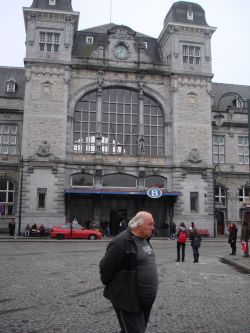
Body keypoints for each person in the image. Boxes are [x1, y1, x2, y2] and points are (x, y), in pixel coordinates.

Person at [99, 211, 158, 333]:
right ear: (138, 225)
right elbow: (105, 269)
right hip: (128, 300)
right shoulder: (120, 242)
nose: (153, 227)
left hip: (145, 301)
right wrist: (120, 289)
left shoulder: (144, 239)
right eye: (150, 224)